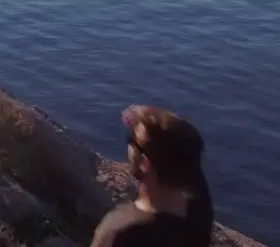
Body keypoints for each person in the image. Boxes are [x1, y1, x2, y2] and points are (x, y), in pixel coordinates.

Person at [91, 104, 214, 247]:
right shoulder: (199, 212)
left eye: (132, 141)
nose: (129, 146)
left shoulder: (119, 231)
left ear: (145, 163)